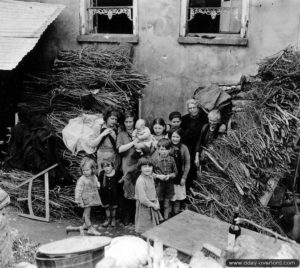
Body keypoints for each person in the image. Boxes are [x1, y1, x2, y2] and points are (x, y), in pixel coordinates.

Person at [116, 111, 138, 225]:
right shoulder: (121, 134)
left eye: (131, 121)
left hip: (137, 164)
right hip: (126, 164)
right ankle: (126, 217)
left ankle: (135, 218)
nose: (129, 124)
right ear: (123, 122)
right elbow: (120, 149)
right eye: (126, 122)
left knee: (137, 189)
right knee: (127, 189)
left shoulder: (139, 132)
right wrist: (133, 142)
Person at [181, 99, 208, 189]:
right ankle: (187, 189)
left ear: (198, 108)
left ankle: (197, 189)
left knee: (197, 170)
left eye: (194, 107)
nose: (192, 110)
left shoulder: (204, 118)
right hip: (187, 147)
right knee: (187, 168)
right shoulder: (184, 119)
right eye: (190, 108)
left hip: (199, 146)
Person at [135, 157, 163, 233]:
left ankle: (151, 240)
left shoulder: (150, 176)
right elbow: (143, 200)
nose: (147, 169)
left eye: (149, 166)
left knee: (152, 227)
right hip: (145, 207)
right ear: (140, 168)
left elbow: (153, 190)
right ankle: (145, 241)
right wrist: (154, 205)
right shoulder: (140, 181)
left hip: (152, 204)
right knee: (145, 227)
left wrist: (156, 201)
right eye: (144, 166)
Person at [75, 157, 102, 235]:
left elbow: (96, 182)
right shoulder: (82, 179)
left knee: (87, 212)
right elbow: (78, 190)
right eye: (83, 170)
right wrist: (78, 199)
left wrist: (98, 185)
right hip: (85, 199)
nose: (85, 172)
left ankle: (85, 225)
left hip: (92, 198)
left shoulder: (93, 176)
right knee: (86, 213)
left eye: (87, 170)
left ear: (92, 169)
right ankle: (90, 227)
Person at [152, 138, 177, 220]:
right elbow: (150, 174)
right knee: (157, 203)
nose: (164, 152)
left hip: (169, 185)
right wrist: (158, 176)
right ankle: (158, 219)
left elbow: (175, 173)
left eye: (166, 149)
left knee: (166, 204)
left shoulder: (172, 159)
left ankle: (166, 219)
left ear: (170, 150)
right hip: (158, 185)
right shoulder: (155, 160)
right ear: (158, 149)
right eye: (162, 149)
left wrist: (169, 176)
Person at [89, 109, 119, 174]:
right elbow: (92, 144)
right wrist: (102, 134)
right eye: (112, 118)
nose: (114, 121)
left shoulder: (116, 129)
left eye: (116, 119)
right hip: (102, 156)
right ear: (106, 118)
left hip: (113, 157)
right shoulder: (98, 127)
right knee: (102, 177)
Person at [168, 128, 190, 215]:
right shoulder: (168, 146)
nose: (175, 139)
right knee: (169, 199)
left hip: (179, 177)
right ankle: (168, 217)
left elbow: (187, 164)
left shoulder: (184, 148)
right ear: (170, 137)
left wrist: (184, 177)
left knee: (177, 200)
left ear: (180, 137)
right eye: (173, 136)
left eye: (177, 137)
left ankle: (176, 216)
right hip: (169, 178)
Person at [98, 159, 122, 227]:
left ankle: (113, 219)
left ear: (112, 166)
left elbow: (119, 182)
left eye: (108, 166)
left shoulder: (116, 173)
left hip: (114, 194)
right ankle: (108, 219)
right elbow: (99, 182)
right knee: (107, 207)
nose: (106, 168)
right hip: (105, 194)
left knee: (113, 207)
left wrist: (121, 181)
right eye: (104, 167)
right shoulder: (102, 173)